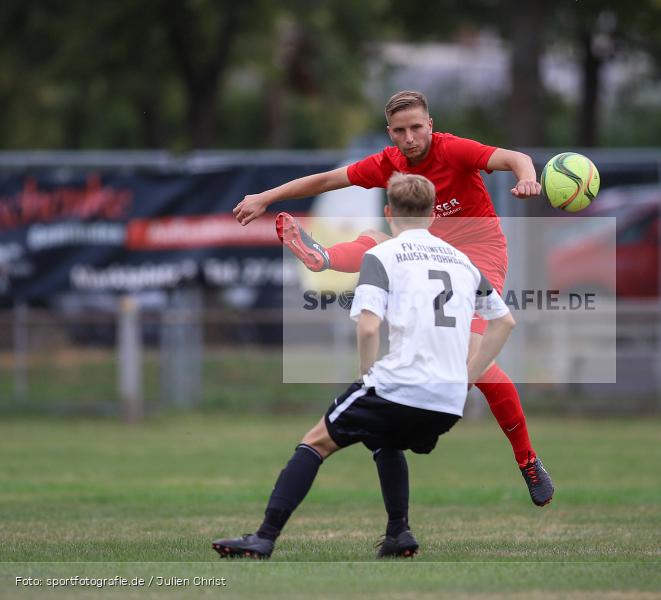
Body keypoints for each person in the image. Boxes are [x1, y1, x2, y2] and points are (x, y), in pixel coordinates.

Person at [233, 90, 553, 506]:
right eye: (400, 131)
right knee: (378, 242)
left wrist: (527, 176)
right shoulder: (388, 162)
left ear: (430, 125)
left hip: (478, 256)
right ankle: (324, 257)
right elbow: (325, 180)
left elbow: (515, 159)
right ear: (390, 133)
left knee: (477, 355)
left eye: (417, 127)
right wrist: (265, 197)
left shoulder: (453, 149)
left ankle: (527, 460)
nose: (410, 138)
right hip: (427, 251)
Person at [213, 174, 516, 559]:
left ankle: (264, 538)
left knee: (315, 442)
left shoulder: (382, 254)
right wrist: (466, 379)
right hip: (447, 400)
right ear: (431, 214)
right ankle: (398, 534)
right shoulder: (463, 262)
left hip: (401, 383)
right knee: (384, 438)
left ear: (389, 212)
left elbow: (370, 325)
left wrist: (366, 375)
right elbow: (504, 323)